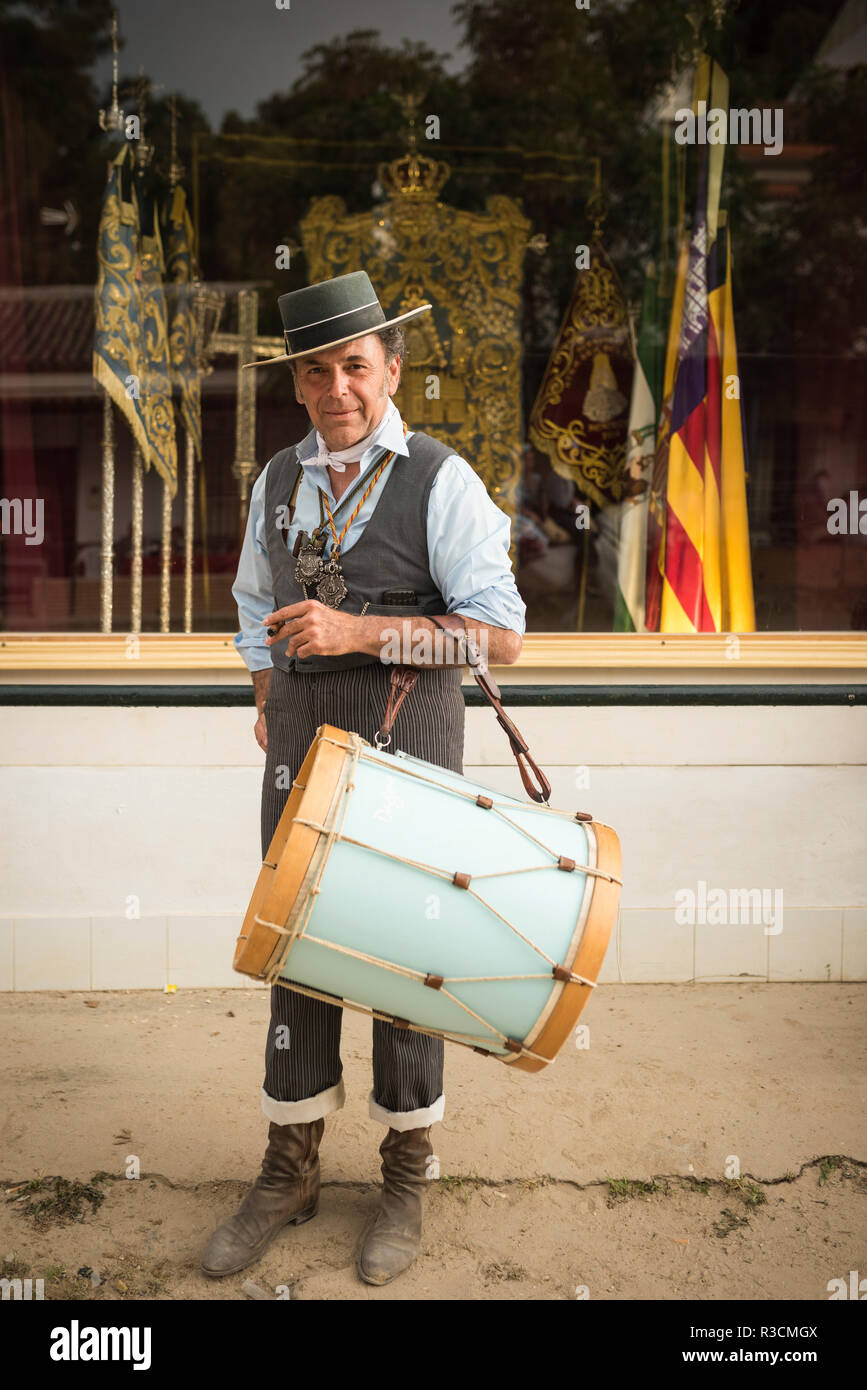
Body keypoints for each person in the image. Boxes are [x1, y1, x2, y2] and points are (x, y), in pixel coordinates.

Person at [204, 270, 525, 1287]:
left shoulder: (441, 480)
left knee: (406, 956)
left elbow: (502, 638)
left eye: (355, 364)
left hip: (410, 755)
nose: (336, 385)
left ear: (391, 367)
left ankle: (405, 1176)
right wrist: (266, 688)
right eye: (315, 369)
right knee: (300, 949)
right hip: (304, 749)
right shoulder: (276, 482)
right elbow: (256, 603)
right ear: (297, 384)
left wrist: (359, 630)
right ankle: (288, 1167)